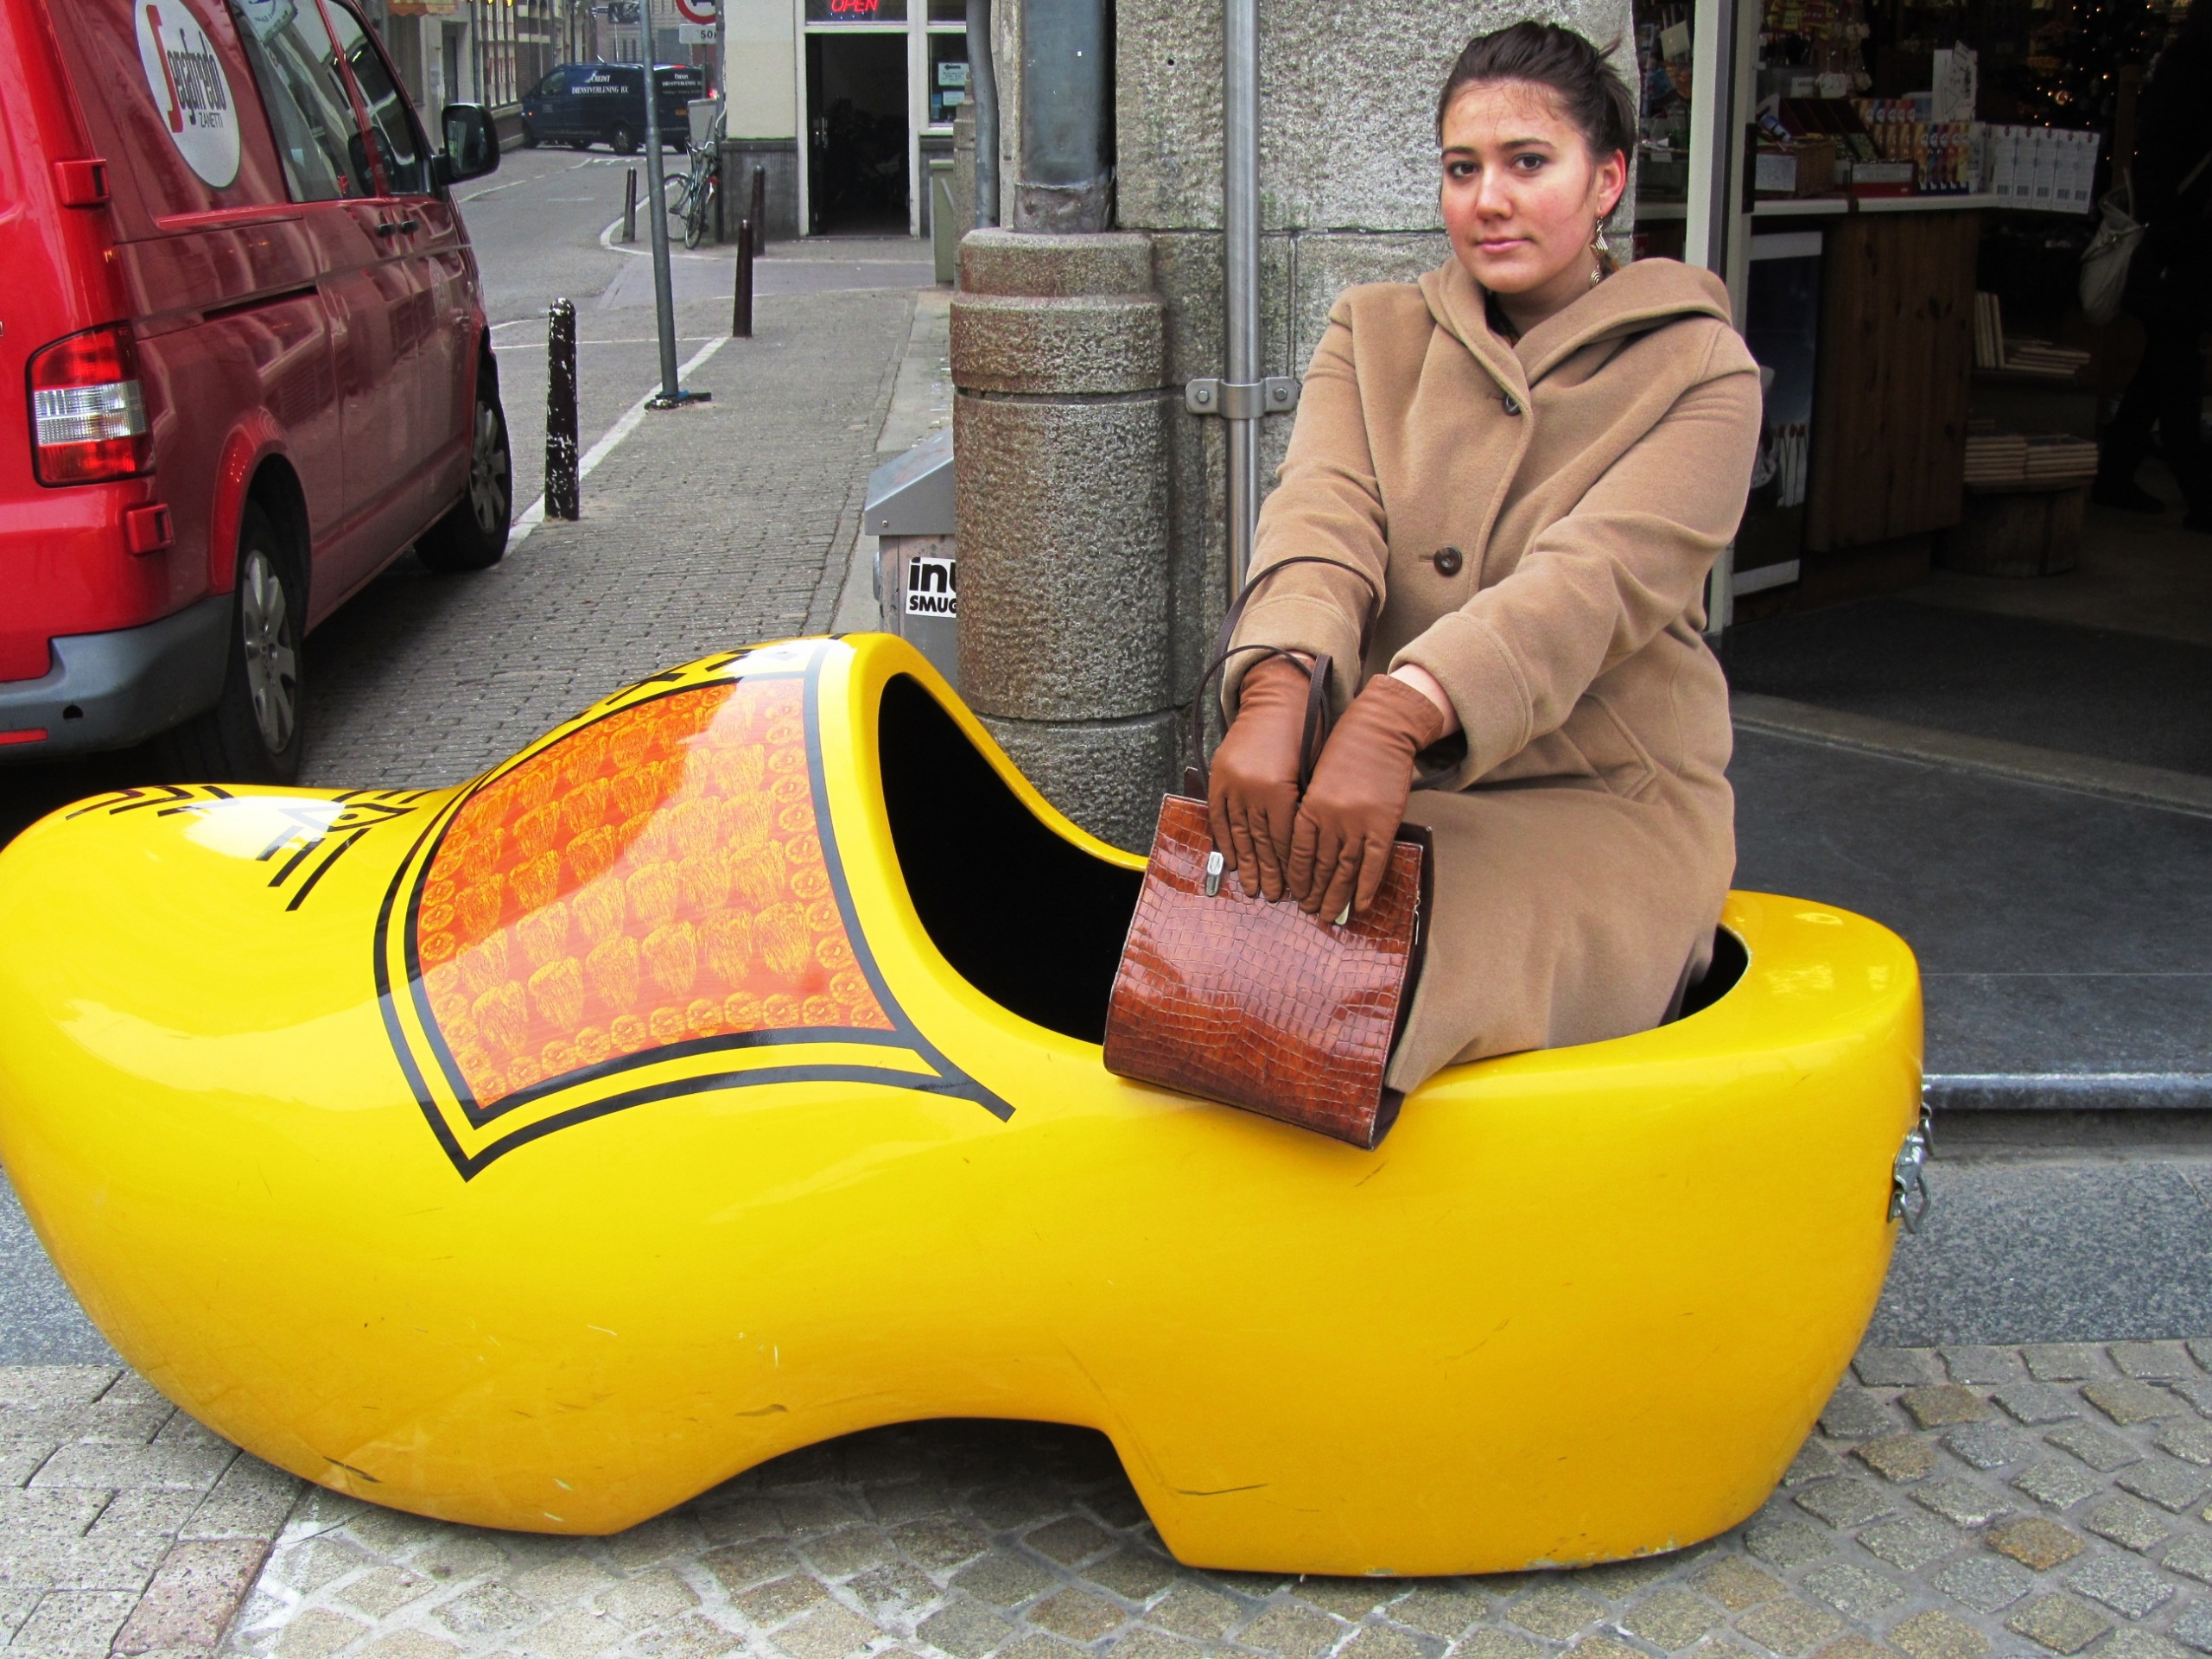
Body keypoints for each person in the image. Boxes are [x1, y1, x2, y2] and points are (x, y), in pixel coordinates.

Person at [1207, 20, 1761, 1093]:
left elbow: (1592, 583)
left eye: (1527, 163)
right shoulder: (1374, 332)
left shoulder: (1700, 370)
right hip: (1379, 791)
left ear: (1606, 181)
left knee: (1378, 976)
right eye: (1462, 169)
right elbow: (1322, 516)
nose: (1488, 200)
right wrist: (1281, 679)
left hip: (1599, 801)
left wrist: (1398, 712)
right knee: (1216, 956)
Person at [2094, 0, 2212, 530]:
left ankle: (2118, 471)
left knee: (2165, 362)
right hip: (2178, 245)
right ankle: (2199, 494)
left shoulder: (2178, 69)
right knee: (2176, 364)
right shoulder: (2195, 76)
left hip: (2169, 242)